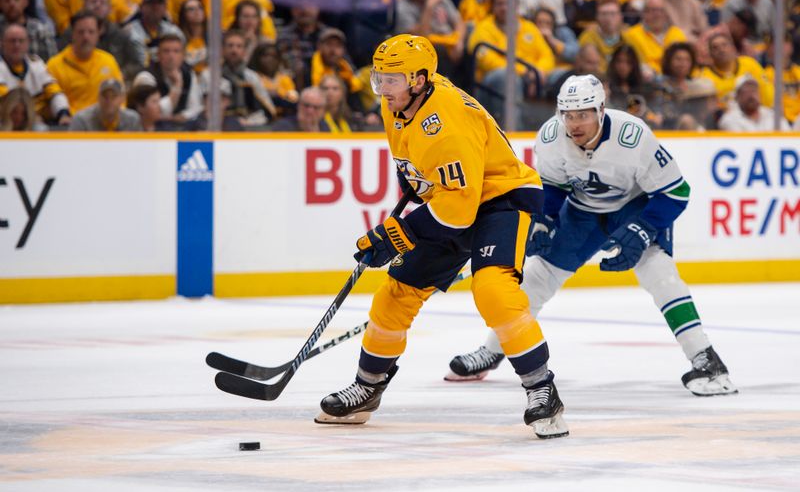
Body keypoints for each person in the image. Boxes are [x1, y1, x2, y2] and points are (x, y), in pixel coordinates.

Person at [315, 34, 569, 439]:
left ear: (418, 80)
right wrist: (414, 179)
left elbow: (458, 213)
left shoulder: (445, 122)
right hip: (453, 197)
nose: (381, 87)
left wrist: (396, 235)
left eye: (391, 79)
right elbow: (421, 166)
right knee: (394, 295)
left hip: (499, 199)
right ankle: (367, 388)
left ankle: (542, 391)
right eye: (378, 77)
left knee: (492, 289)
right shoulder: (396, 100)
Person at [445, 74, 738, 399]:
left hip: (634, 209)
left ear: (601, 110)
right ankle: (494, 349)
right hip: (582, 213)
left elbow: (677, 192)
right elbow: (553, 187)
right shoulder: (551, 135)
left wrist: (643, 228)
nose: (574, 123)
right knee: (536, 278)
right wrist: (544, 219)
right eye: (568, 115)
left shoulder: (634, 135)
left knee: (660, 275)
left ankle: (707, 360)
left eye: (582, 114)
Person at [46, 10, 123, 115]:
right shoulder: (54, 65)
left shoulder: (108, 61)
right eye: (81, 32)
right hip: (71, 124)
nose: (86, 37)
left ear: (98, 33)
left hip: (105, 122)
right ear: (72, 33)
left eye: (91, 32)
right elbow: (53, 98)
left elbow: (120, 95)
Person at [0, 24, 71, 126]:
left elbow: (54, 92)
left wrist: (63, 113)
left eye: (21, 41)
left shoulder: (36, 63)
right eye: (12, 41)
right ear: (2, 43)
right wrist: (30, 117)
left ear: (28, 43)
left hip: (37, 122)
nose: (17, 45)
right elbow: (7, 102)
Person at [718, 75, 790, 131]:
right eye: (746, 91)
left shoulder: (772, 115)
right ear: (737, 96)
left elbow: (788, 138)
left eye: (754, 90)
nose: (751, 95)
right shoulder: (729, 119)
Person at [69, 78, 142, 131]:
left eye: (114, 96)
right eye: (105, 96)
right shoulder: (81, 120)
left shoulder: (132, 120)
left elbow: (139, 148)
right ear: (98, 98)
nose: (109, 100)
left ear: (122, 98)